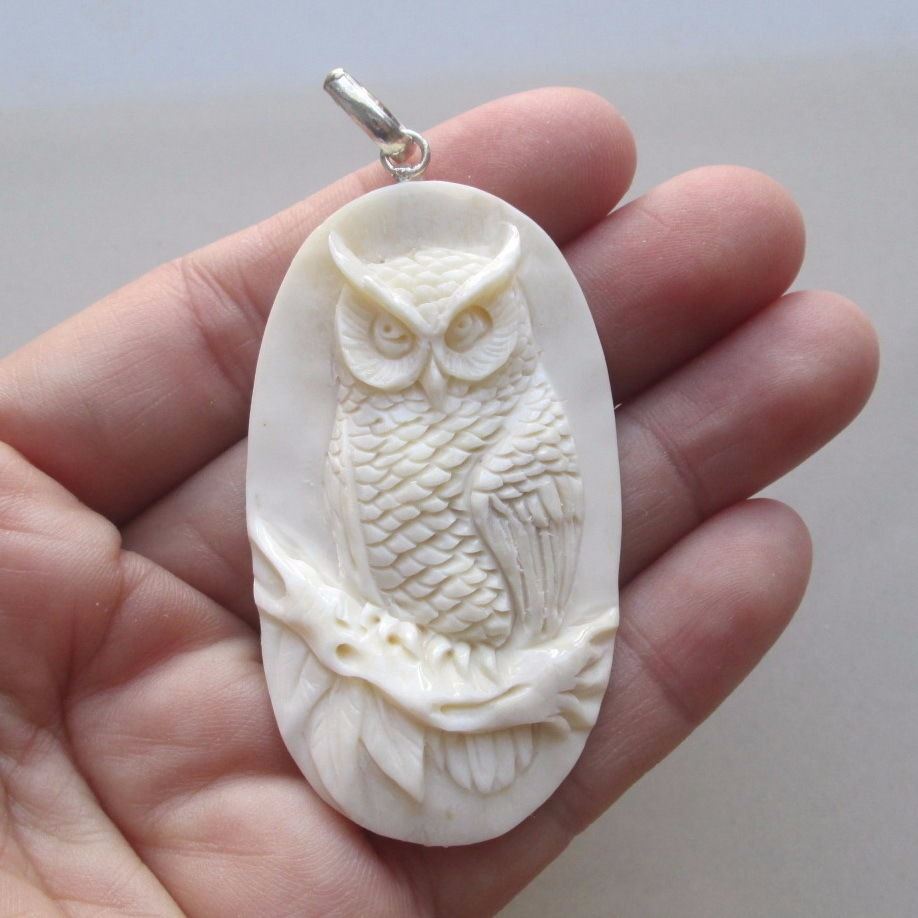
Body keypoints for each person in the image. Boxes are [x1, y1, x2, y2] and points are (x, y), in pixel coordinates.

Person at [0, 87, 878, 916]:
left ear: (507, 320)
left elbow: (543, 591)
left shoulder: (530, 425)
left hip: (503, 638)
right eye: (390, 333)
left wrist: (501, 671)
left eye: (466, 330)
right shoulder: (350, 432)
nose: (429, 368)